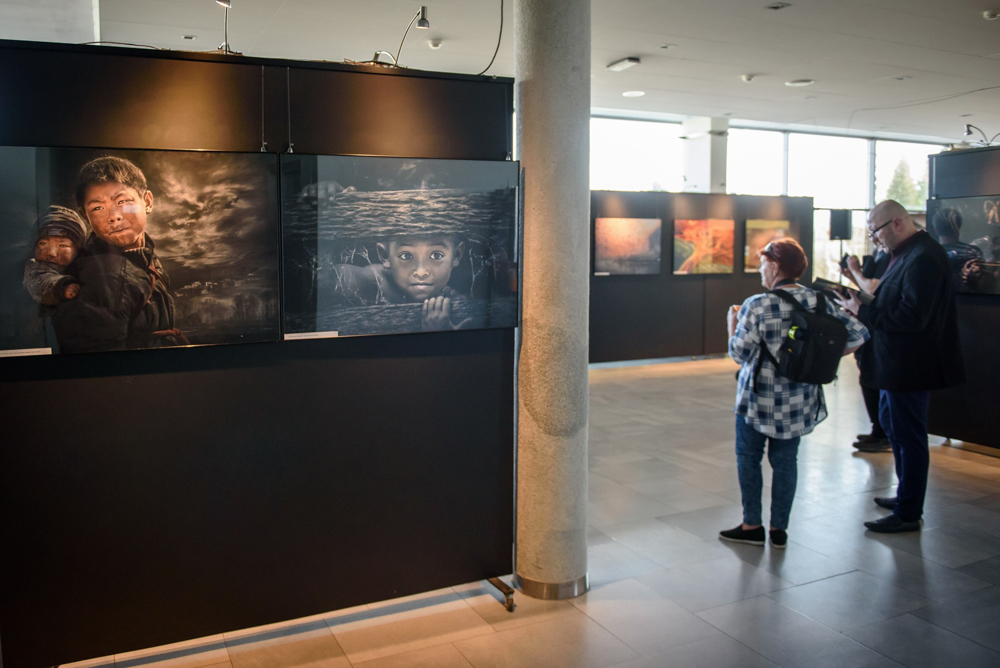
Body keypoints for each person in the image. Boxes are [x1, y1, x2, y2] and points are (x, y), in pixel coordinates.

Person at [723, 239, 868, 548]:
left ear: (776, 266)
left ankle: (751, 525)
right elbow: (859, 335)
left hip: (757, 400)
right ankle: (779, 530)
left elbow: (739, 353)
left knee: (748, 458)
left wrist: (731, 324)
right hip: (798, 400)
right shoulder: (819, 301)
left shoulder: (756, 304)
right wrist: (823, 357)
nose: (760, 270)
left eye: (763, 263)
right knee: (786, 462)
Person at [836, 200, 964, 533]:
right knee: (895, 429)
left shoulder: (924, 257)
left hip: (910, 366)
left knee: (909, 437)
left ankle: (908, 511)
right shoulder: (907, 253)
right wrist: (861, 303)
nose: (873, 239)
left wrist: (862, 310)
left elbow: (912, 317)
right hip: (895, 363)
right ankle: (905, 495)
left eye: (875, 231)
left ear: (896, 223)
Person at [49, 156, 183, 352]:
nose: (114, 216)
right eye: (98, 208)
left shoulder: (146, 257)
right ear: (86, 216)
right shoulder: (105, 276)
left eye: (123, 201)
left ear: (147, 201)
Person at [327, 234, 470, 330]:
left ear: (456, 255)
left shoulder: (451, 297)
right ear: (385, 256)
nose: (421, 272)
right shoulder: (372, 280)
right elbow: (324, 278)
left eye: (436, 255)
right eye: (406, 256)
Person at [841, 244, 892, 452]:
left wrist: (855, 271)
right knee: (867, 377)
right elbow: (868, 289)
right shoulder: (881, 255)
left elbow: (873, 288)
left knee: (873, 378)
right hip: (870, 322)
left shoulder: (892, 257)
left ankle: (882, 432)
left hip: (879, 325)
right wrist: (852, 276)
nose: (875, 238)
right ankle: (878, 429)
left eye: (875, 232)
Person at [22, 206, 88, 306]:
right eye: (43, 244)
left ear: (78, 249)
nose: (51, 253)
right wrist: (62, 287)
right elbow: (41, 282)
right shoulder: (35, 268)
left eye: (62, 245)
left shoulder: (87, 264)